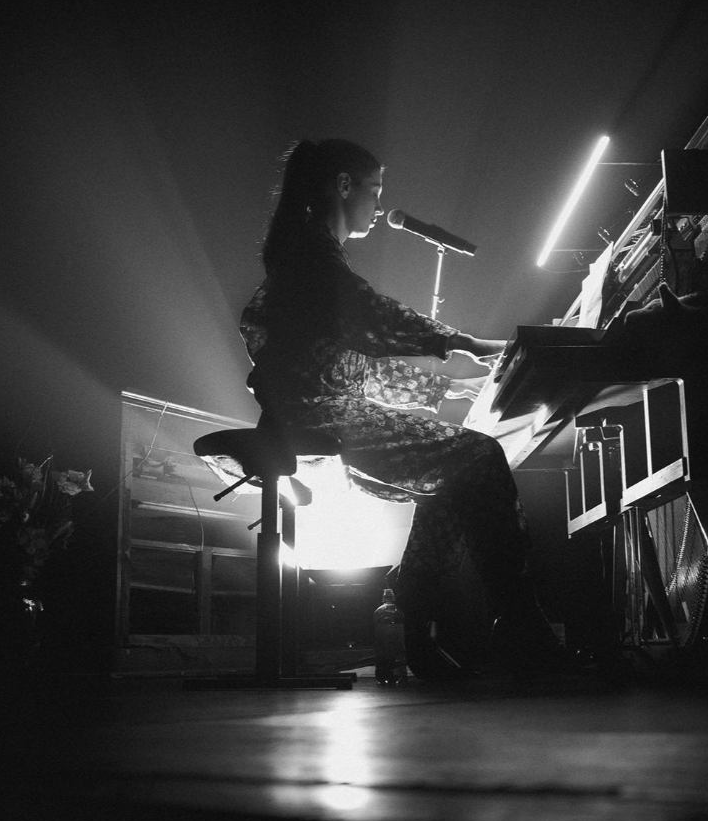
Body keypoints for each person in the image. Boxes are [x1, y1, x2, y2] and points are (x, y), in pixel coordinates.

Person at [239, 138, 573, 678]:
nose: (378, 204)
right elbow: (371, 315)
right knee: (480, 457)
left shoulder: (306, 253)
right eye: (373, 190)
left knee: (453, 476)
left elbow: (350, 364)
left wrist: (441, 390)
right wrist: (457, 342)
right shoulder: (312, 258)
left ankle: (418, 626)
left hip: (317, 410)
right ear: (342, 186)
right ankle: (516, 625)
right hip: (319, 417)